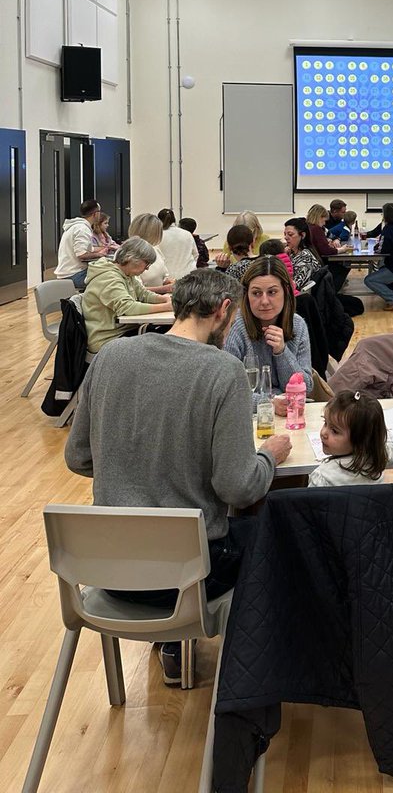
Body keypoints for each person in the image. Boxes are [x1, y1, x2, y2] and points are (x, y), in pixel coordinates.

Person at [65, 268, 292, 684]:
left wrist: (138, 461)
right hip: (188, 576)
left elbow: (78, 458)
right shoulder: (222, 371)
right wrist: (268, 458)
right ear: (224, 310)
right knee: (278, 535)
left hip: (107, 571)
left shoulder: (112, 356)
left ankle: (173, 643)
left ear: (176, 304)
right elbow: (237, 486)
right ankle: (268, 669)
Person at [224, 256, 313, 409]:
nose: (264, 301)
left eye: (272, 292)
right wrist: (268, 403)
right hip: (248, 417)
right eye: (256, 293)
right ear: (246, 295)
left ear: (285, 292)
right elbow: (227, 390)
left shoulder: (297, 325)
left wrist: (282, 351)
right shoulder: (235, 327)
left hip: (289, 413)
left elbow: (306, 387)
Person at [81, 237, 172, 354]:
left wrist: (164, 299)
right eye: (146, 263)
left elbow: (143, 294)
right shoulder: (108, 277)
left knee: (167, 334)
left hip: (122, 331)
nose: (147, 268)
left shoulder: (126, 274)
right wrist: (166, 307)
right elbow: (128, 308)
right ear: (131, 258)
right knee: (166, 341)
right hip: (108, 338)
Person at [309, 390, 393, 488]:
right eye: (325, 423)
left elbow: (309, 503)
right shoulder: (378, 456)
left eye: (335, 431)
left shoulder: (322, 477)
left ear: (360, 440)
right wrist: (373, 427)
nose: (323, 433)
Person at [54, 198, 107, 290]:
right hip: (73, 275)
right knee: (109, 277)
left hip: (67, 272)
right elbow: (81, 254)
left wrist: (106, 247)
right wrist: (100, 254)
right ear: (96, 214)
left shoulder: (76, 227)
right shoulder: (82, 229)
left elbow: (89, 249)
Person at [307, 203, 351, 291]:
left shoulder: (309, 226)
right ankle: (331, 294)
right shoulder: (316, 229)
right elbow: (325, 250)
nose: (324, 223)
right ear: (319, 217)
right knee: (343, 268)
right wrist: (341, 250)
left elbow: (326, 240)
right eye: (324, 220)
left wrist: (331, 240)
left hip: (311, 261)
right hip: (318, 263)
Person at [128, 213, 172, 292]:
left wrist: (167, 281)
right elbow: (136, 290)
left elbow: (164, 274)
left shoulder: (155, 248)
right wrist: (165, 289)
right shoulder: (130, 254)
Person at [157, 207, 198, 279]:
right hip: (188, 275)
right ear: (174, 219)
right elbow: (195, 254)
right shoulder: (187, 234)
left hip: (166, 277)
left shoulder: (158, 235)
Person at [283, 217, 321, 287]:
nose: (286, 237)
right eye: (285, 234)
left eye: (290, 234)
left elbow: (295, 286)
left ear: (302, 235)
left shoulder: (305, 258)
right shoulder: (292, 254)